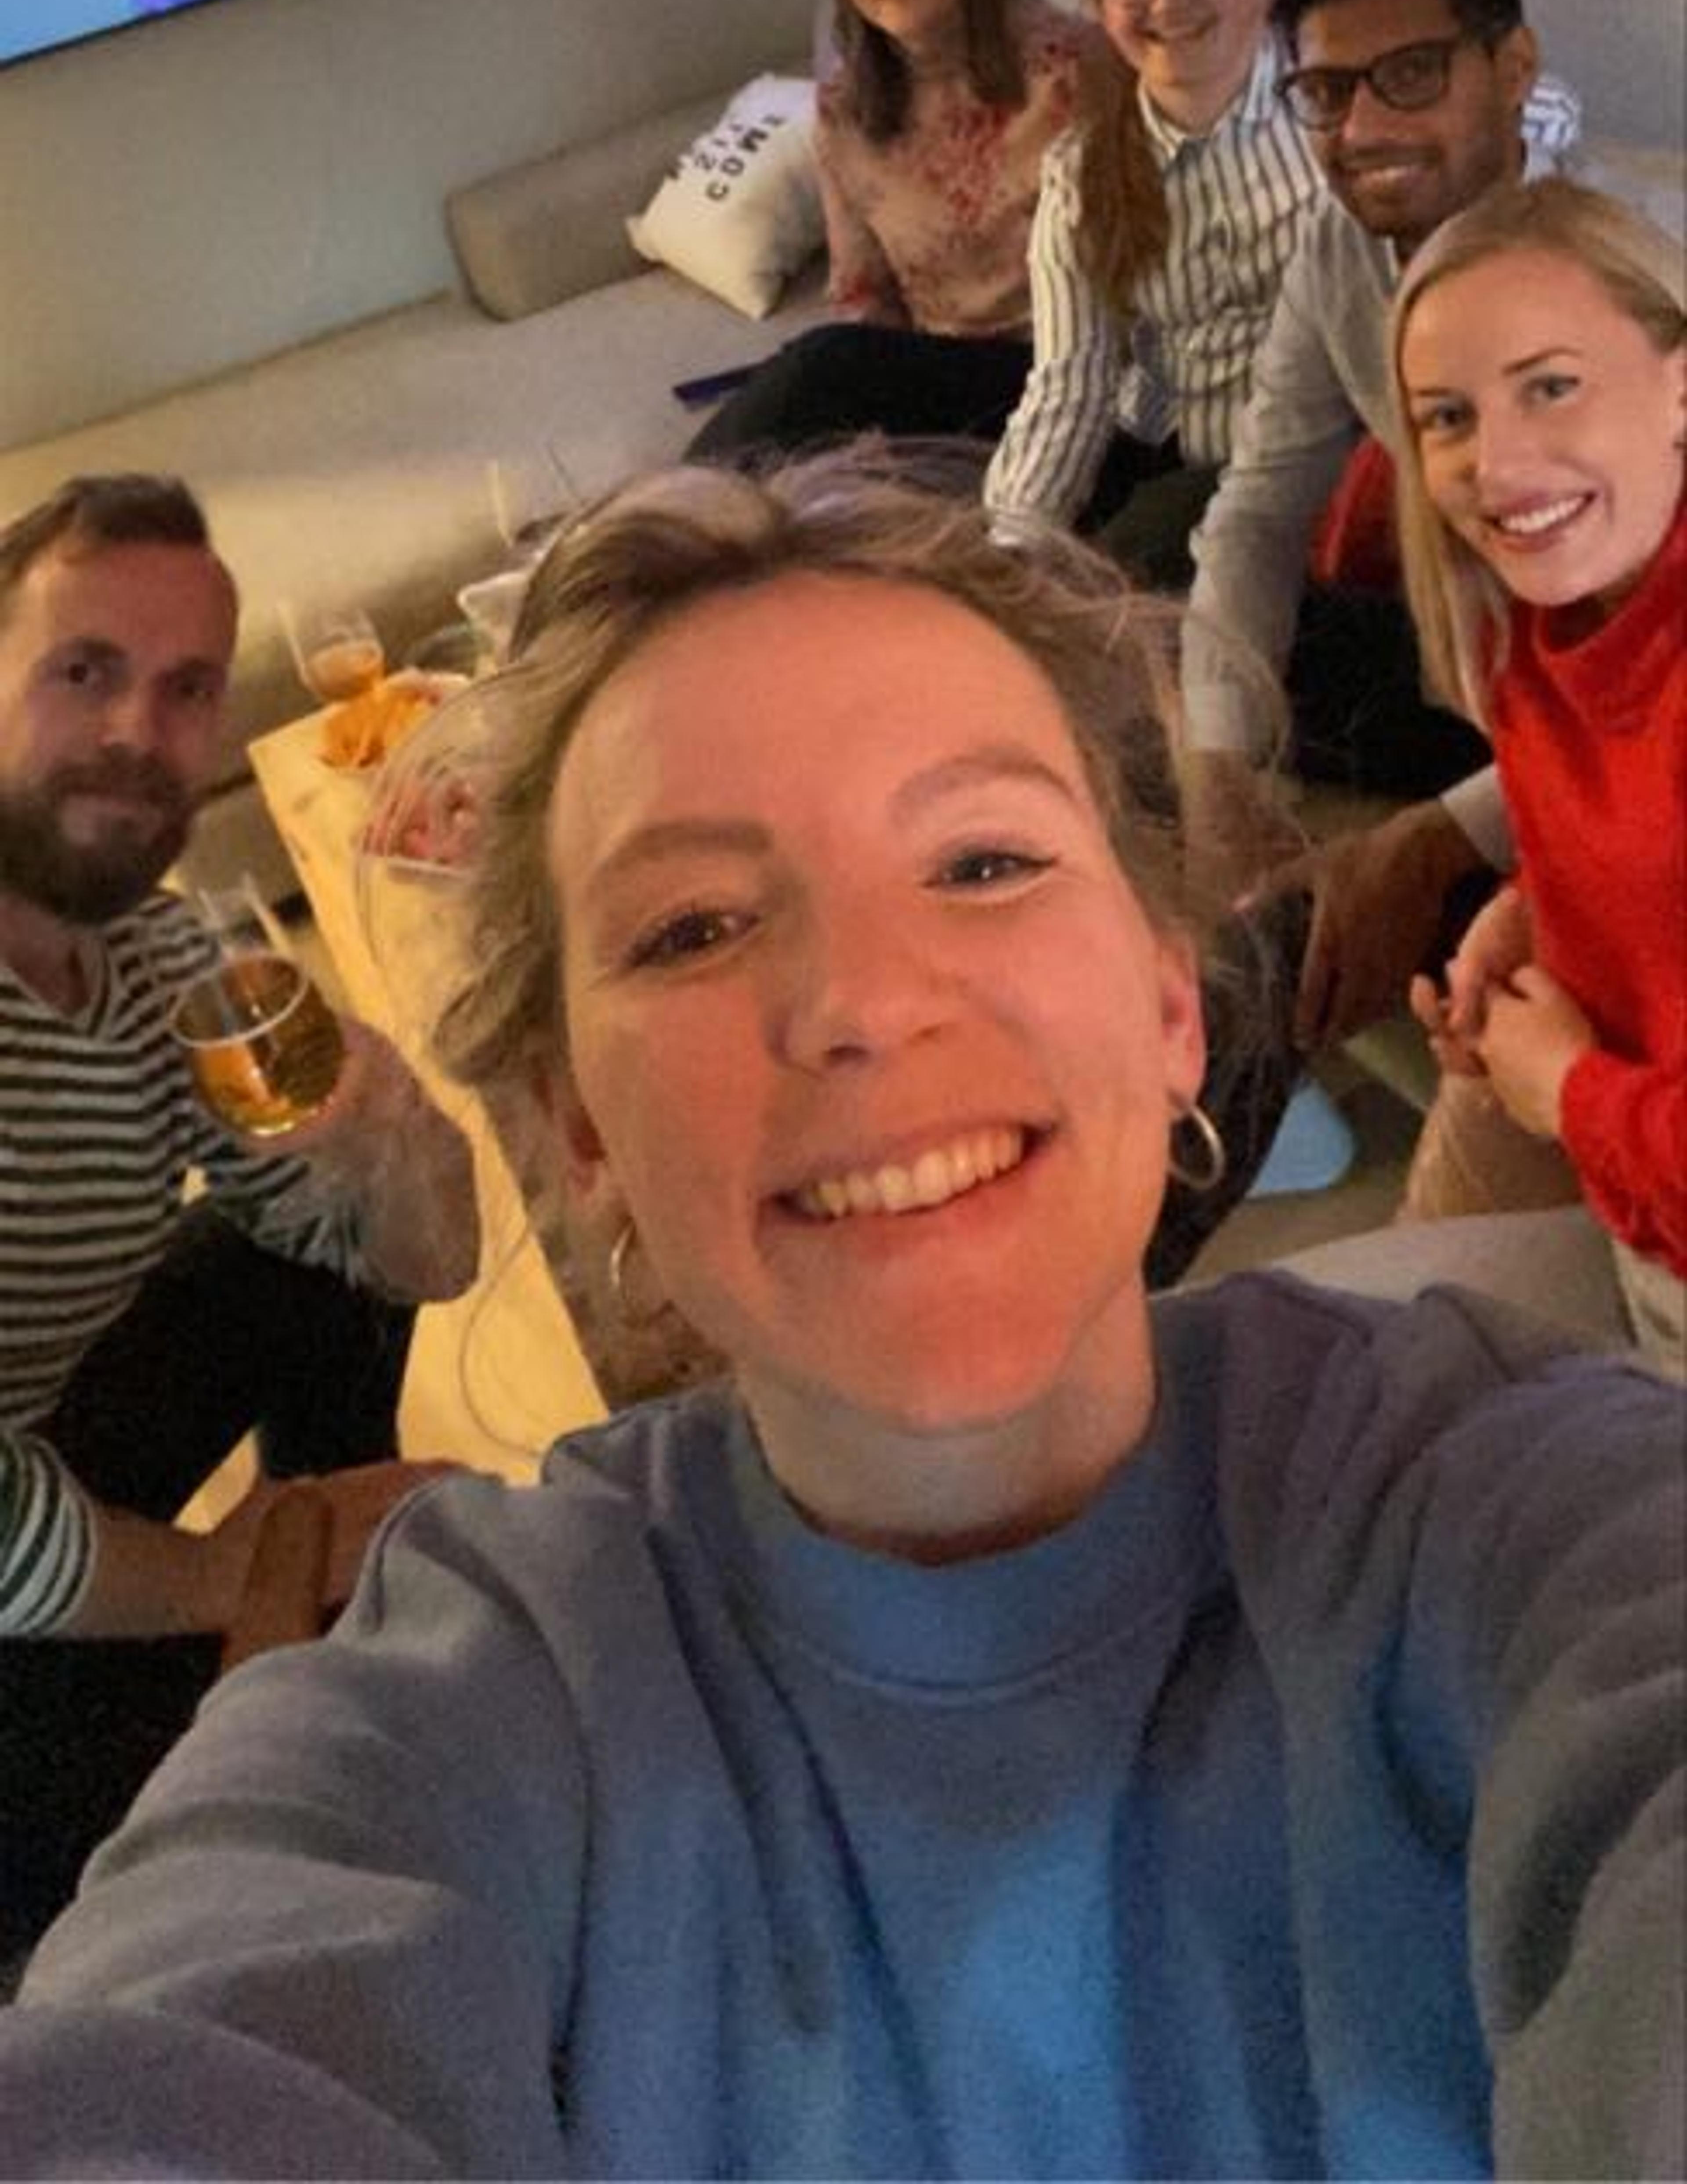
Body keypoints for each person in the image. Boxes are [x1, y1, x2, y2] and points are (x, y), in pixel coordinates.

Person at [2, 457, 1682, 2183]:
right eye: (694, 926)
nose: (864, 999)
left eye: (982, 857)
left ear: (1172, 1001)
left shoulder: (1508, 1497)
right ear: (580, 1129)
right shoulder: (480, 1692)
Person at [0, 475, 478, 1978]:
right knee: (225, 1855)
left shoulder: (153, 957)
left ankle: (326, 1609)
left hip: (35, 1435)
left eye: (187, 687)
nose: (137, 732)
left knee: (293, 1251)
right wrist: (234, 1574)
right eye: (84, 670)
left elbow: (425, 1264)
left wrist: (390, 1131)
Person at [1181, 0, 1583, 1049]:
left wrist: (1441, 836)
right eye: (1325, 92)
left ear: (1512, 68)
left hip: (1630, 688)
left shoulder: (1626, 280)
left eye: (1410, 74)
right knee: (1164, 658)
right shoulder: (1339, 255)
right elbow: (1259, 510)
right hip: (1476, 653)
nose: (1360, 129)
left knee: (1467, 915)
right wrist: (1219, 766)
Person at [1391, 181, 1685, 1370]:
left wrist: (1564, 1089)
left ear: (1679, 384)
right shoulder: (1544, 621)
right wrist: (1539, 908)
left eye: (1550, 386)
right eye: (1447, 417)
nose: (1496, 465)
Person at [688, 0, 1099, 464]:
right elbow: (864, 294)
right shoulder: (844, 111)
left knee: (821, 367)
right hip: (945, 390)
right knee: (803, 428)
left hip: (1073, 368)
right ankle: (663, 518)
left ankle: (665, 509)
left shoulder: (1066, 68)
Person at [985, 0, 1321, 583]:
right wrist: (1010, 558)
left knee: (1135, 563)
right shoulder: (1081, 171)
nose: (1168, 1)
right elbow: (1070, 383)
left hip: (1322, 458)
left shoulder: (1333, 106)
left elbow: (1535, 108)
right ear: (1101, 5)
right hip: (1169, 453)